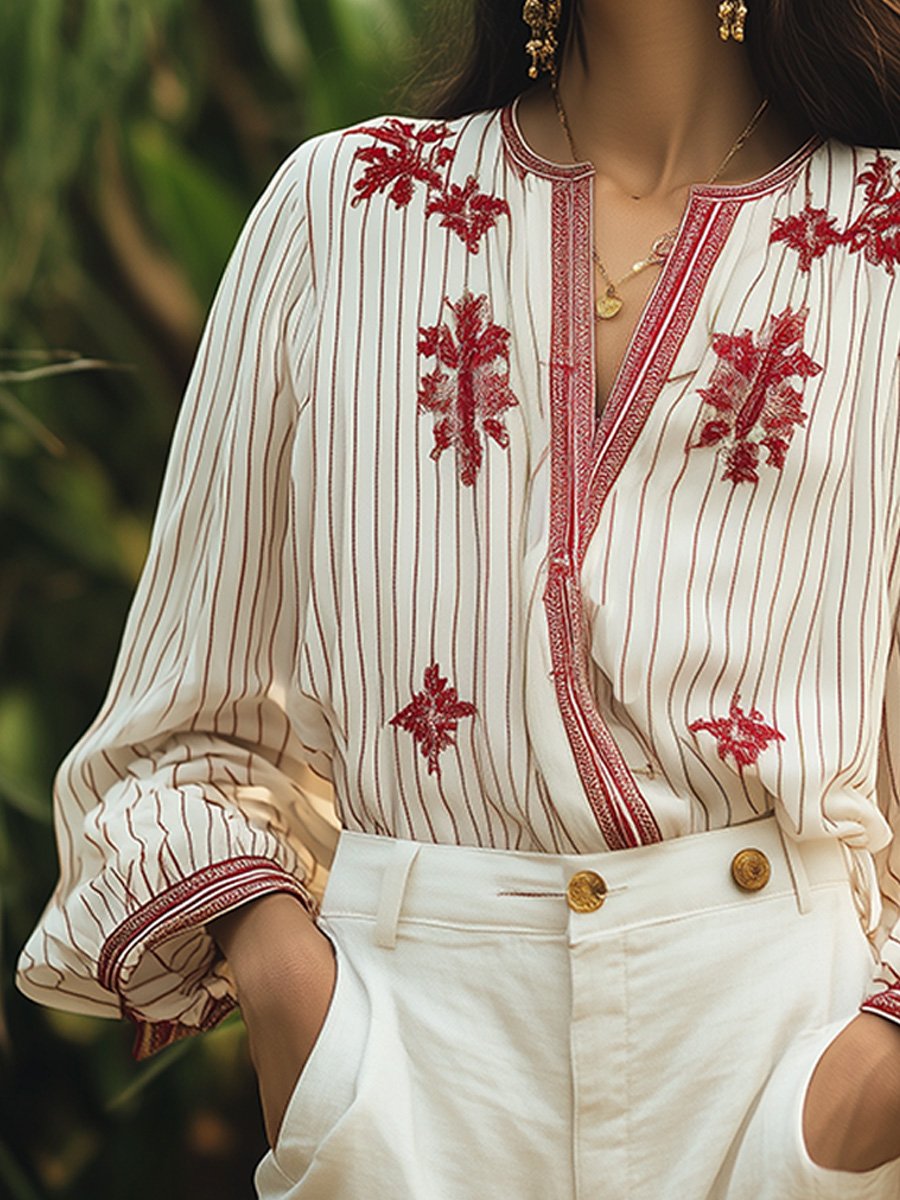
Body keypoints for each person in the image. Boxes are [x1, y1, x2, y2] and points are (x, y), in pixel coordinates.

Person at [15, 0, 900, 1196]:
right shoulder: (346, 212)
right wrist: (295, 1002)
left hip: (782, 1066)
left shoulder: (882, 239)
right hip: (406, 1070)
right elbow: (178, 726)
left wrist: (866, 1087)